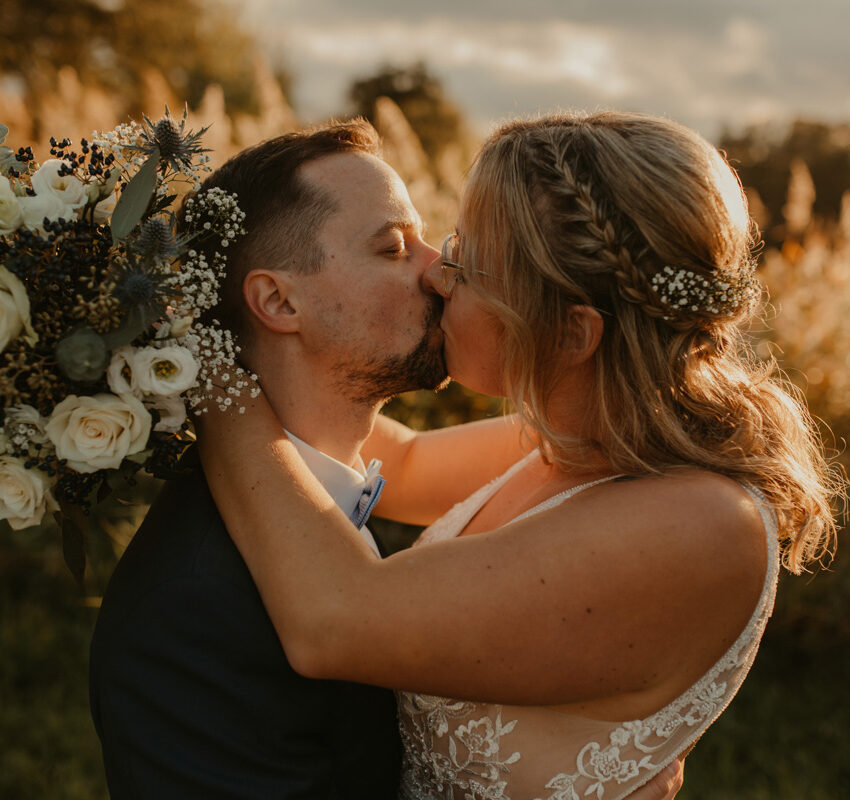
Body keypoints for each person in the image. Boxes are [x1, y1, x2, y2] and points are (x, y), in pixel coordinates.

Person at [197, 112, 840, 800]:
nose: (439, 278)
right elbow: (405, 465)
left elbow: (333, 620)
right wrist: (235, 320)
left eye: (469, 266)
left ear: (570, 332)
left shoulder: (700, 523)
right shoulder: (577, 438)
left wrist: (200, 369)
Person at [89, 119, 683, 799]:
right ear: (278, 301)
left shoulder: (322, 499)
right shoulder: (186, 621)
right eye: (394, 247)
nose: (439, 268)